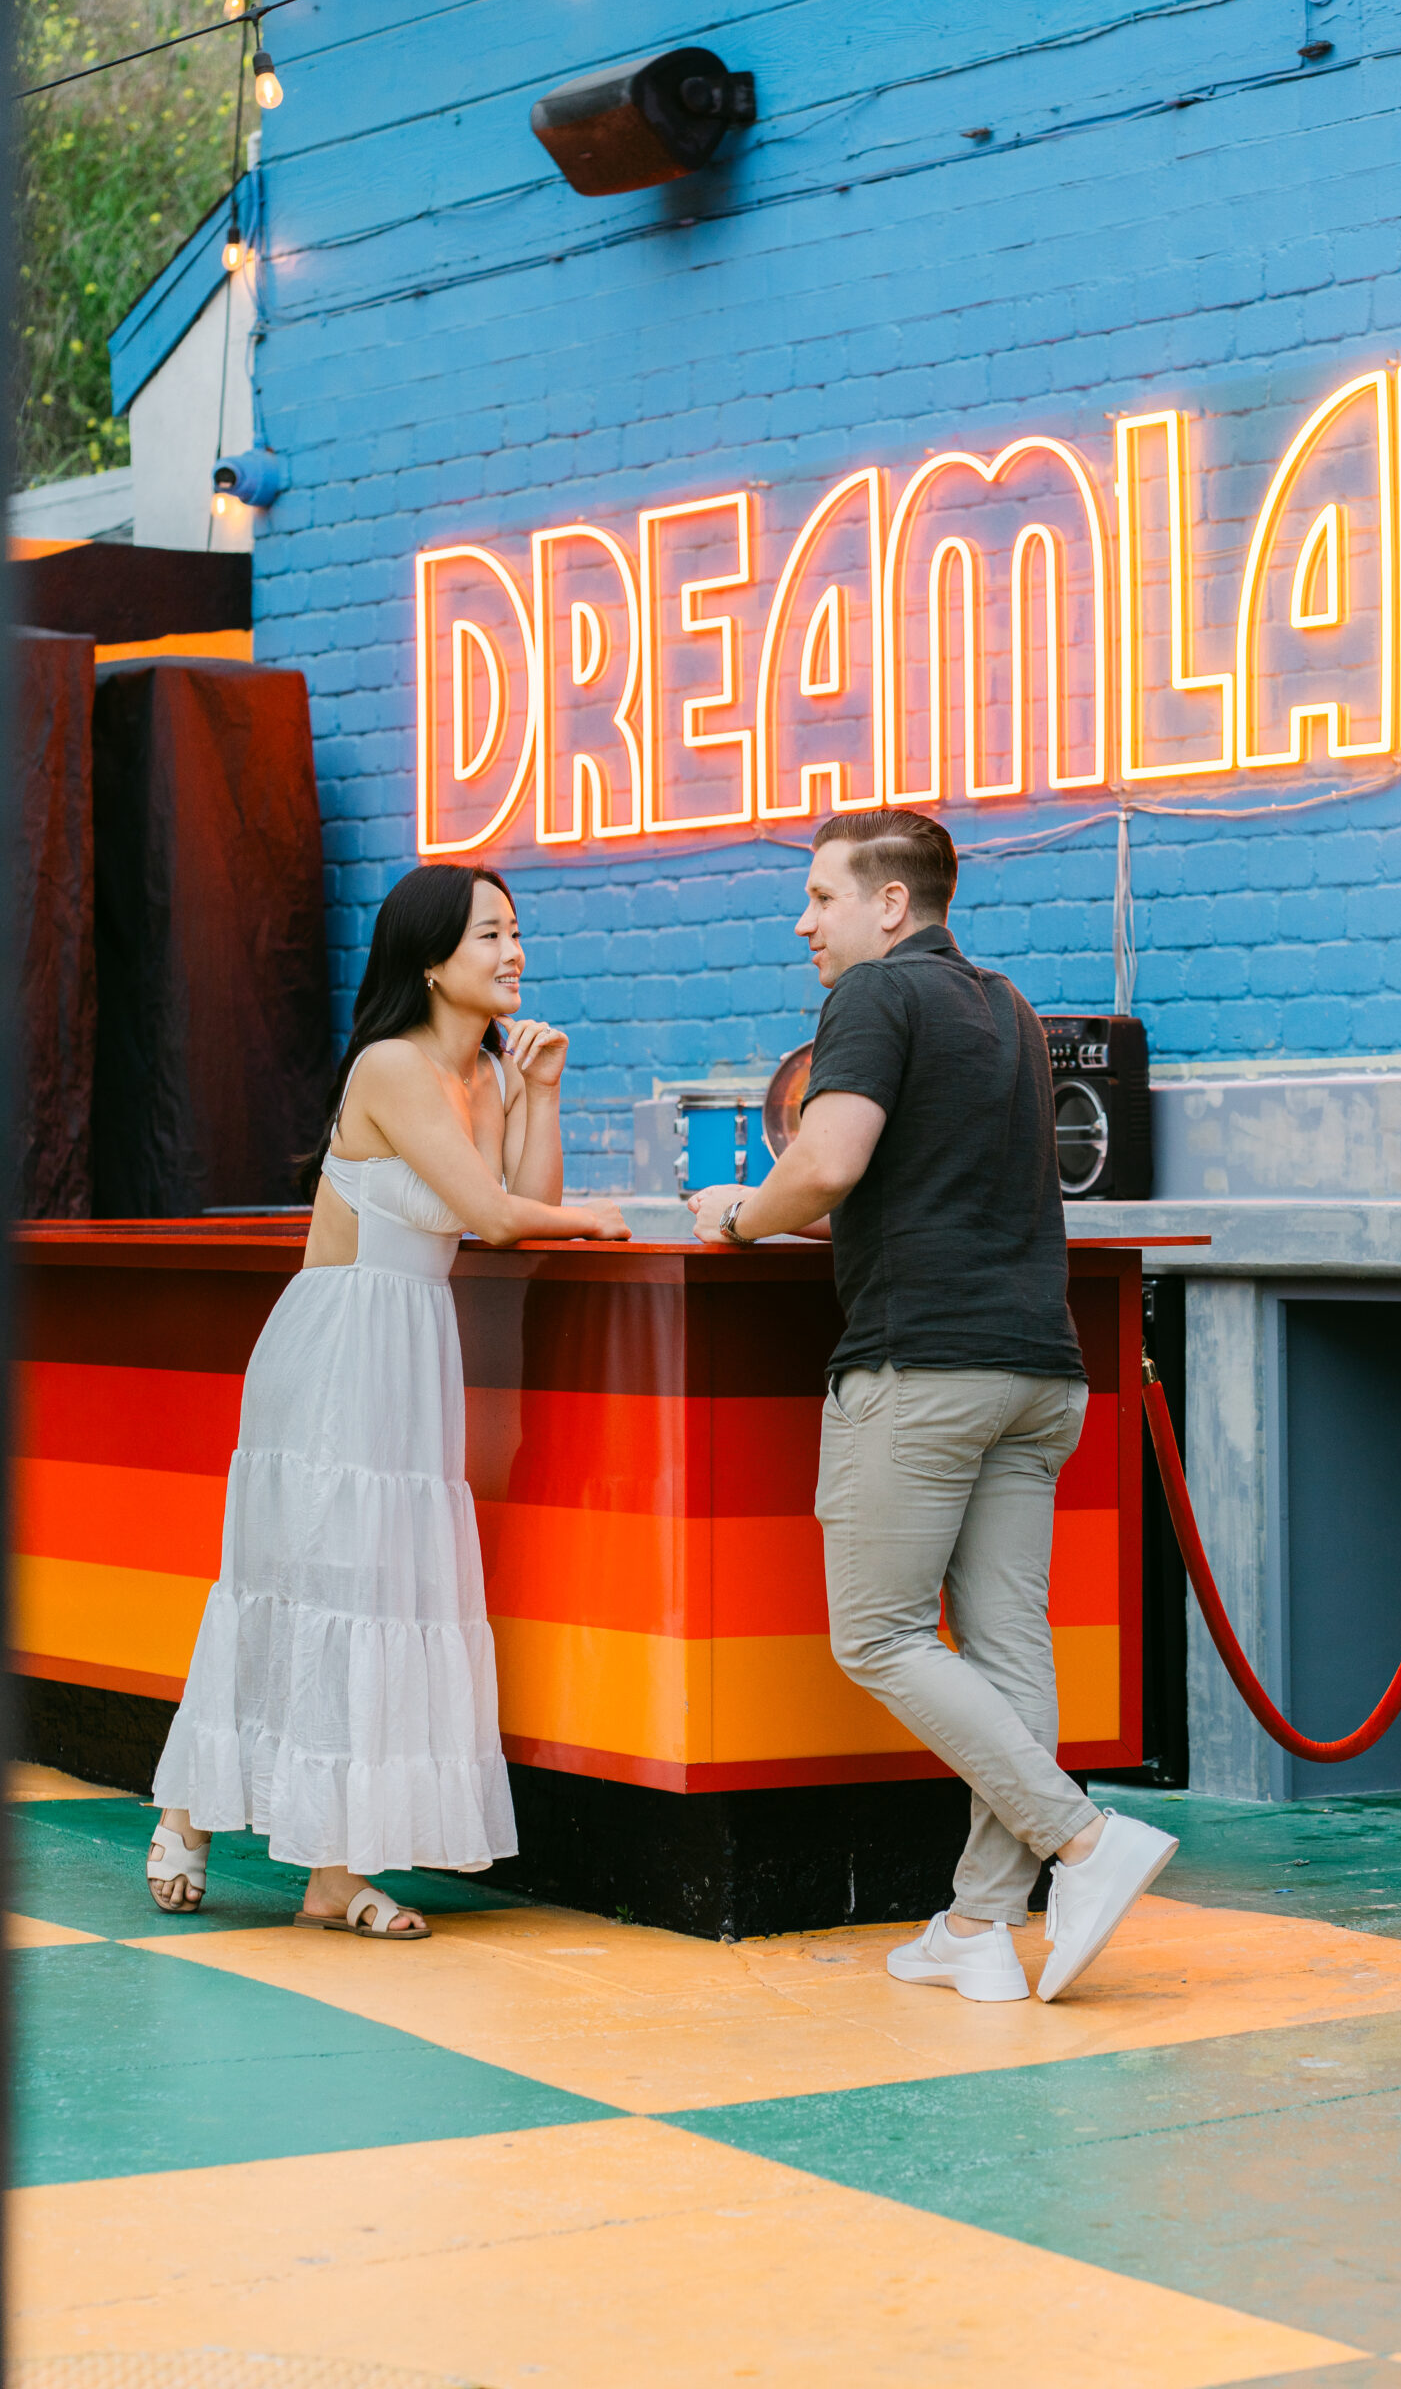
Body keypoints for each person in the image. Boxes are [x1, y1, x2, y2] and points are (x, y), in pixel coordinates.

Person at [692, 808, 1176, 2002]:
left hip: (924, 1368)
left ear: (891, 904)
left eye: (822, 896)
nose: (804, 922)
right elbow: (933, 1183)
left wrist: (738, 1214)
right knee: (1010, 1649)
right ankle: (979, 1926)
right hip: (1041, 1368)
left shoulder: (874, 994)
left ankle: (1084, 1840)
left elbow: (829, 1160)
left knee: (878, 1634)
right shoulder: (1006, 1006)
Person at [146, 863, 630, 1938]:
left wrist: (544, 1091)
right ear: (430, 961)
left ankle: (335, 1873)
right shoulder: (393, 1066)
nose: (513, 952)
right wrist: (596, 1219)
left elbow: (524, 1201)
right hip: (337, 1345)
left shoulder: (488, 1074)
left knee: (383, 1598)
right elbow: (498, 1217)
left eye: (514, 930)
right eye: (488, 934)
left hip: (411, 1352)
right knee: (304, 1586)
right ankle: (191, 1802)